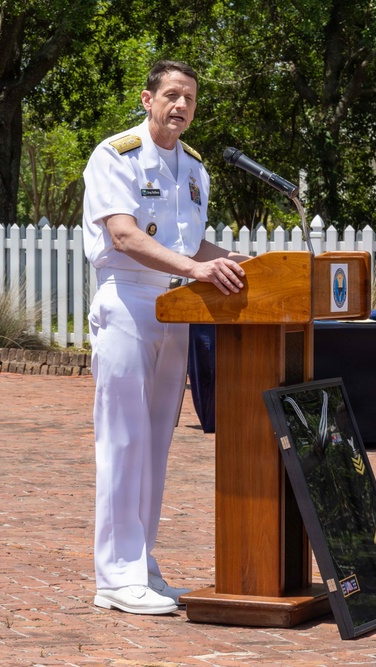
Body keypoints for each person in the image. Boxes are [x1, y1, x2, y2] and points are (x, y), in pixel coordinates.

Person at [82, 60, 248, 615]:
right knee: (123, 439)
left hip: (176, 304)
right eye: (172, 95)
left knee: (155, 442)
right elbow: (125, 236)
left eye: (190, 99)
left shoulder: (194, 169)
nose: (181, 106)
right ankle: (114, 576)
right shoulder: (116, 154)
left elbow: (191, 245)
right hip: (128, 297)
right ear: (147, 98)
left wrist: (240, 263)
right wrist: (197, 268)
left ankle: (141, 565)